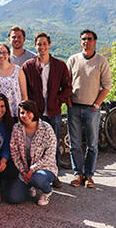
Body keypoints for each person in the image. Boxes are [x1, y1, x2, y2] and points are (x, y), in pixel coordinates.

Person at [22, 32, 72, 187]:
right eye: (39, 44)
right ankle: (36, 176)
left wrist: (58, 101)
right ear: (35, 46)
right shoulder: (29, 66)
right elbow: (25, 89)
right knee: (35, 147)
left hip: (53, 112)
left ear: (49, 45)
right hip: (36, 114)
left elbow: (68, 87)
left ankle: (54, 175)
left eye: (44, 43)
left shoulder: (59, 65)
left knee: (53, 145)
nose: (42, 47)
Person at [66, 29, 112, 188]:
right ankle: (78, 174)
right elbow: (66, 85)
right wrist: (69, 103)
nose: (86, 41)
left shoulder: (101, 61)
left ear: (95, 41)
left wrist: (97, 104)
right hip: (74, 107)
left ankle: (89, 176)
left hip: (92, 109)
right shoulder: (73, 60)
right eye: (84, 39)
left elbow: (106, 86)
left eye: (89, 39)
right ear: (81, 42)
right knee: (74, 144)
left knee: (92, 144)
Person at [8, 100, 58, 206]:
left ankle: (47, 191)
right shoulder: (16, 128)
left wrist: (32, 169)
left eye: (28, 112)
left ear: (34, 112)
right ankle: (30, 185)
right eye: (22, 113)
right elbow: (14, 153)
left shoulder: (46, 128)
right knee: (14, 198)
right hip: (25, 170)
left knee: (38, 178)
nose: (25, 115)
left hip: (44, 168)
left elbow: (50, 155)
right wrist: (23, 171)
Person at [0, 44, 28, 117]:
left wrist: (24, 113)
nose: (2, 55)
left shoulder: (18, 70)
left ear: (8, 54)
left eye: (4, 52)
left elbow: (24, 95)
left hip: (15, 112)